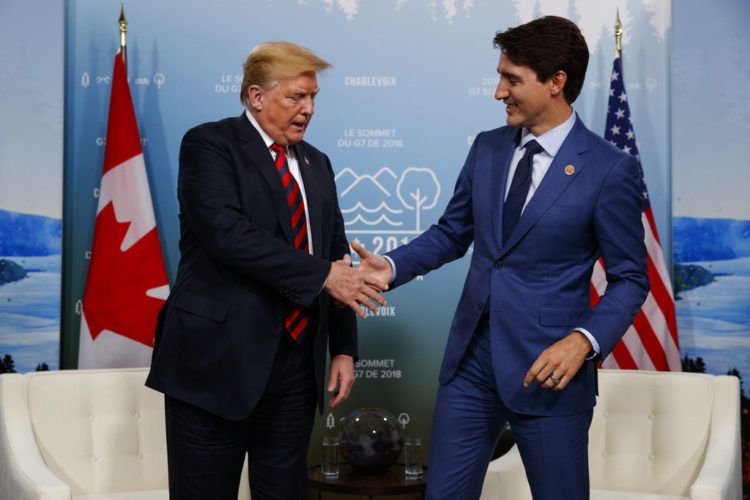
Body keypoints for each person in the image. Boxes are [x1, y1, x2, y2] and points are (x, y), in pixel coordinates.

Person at [353, 16, 649, 499]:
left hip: (549, 369)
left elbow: (631, 279)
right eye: (499, 76)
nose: (498, 92)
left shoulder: (609, 169)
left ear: (556, 82)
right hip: (470, 363)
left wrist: (583, 341)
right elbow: (452, 233)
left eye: (512, 79)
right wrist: (390, 266)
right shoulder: (488, 149)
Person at [146, 41, 387, 500]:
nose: (309, 109)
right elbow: (227, 234)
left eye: (313, 97)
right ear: (256, 97)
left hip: (296, 366)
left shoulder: (317, 164)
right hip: (215, 364)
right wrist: (323, 277)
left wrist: (343, 349)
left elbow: (335, 258)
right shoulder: (209, 144)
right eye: (296, 97)